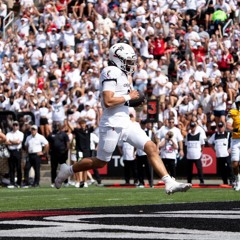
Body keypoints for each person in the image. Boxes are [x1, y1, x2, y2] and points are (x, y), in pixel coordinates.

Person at [55, 43, 192, 194]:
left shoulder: (123, 74)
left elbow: (125, 100)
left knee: (151, 147)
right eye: (128, 60)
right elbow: (107, 101)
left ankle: (168, 182)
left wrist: (137, 102)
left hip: (126, 122)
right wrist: (129, 96)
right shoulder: (110, 71)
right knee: (100, 162)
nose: (131, 64)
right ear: (117, 59)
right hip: (111, 123)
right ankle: (67, 170)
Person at [47, 121, 70, 188]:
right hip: (54, 154)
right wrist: (48, 153)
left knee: (64, 168)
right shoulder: (51, 135)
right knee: (53, 168)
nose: (56, 126)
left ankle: (66, 182)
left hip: (62, 154)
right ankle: (53, 182)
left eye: (57, 125)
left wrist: (66, 152)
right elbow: (48, 144)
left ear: (60, 126)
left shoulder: (64, 134)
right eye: (55, 125)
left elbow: (67, 144)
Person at [226, 96, 240, 191]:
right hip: (235, 140)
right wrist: (235, 129)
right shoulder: (233, 113)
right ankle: (237, 180)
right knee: (235, 164)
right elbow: (228, 126)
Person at [5, 121, 24, 188]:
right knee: (11, 168)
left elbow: (18, 142)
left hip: (17, 151)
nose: (15, 126)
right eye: (14, 125)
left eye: (16, 125)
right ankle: (12, 182)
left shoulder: (21, 133)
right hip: (10, 151)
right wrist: (14, 142)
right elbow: (6, 142)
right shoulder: (8, 134)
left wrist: (11, 141)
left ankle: (19, 182)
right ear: (12, 126)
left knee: (18, 167)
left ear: (18, 126)